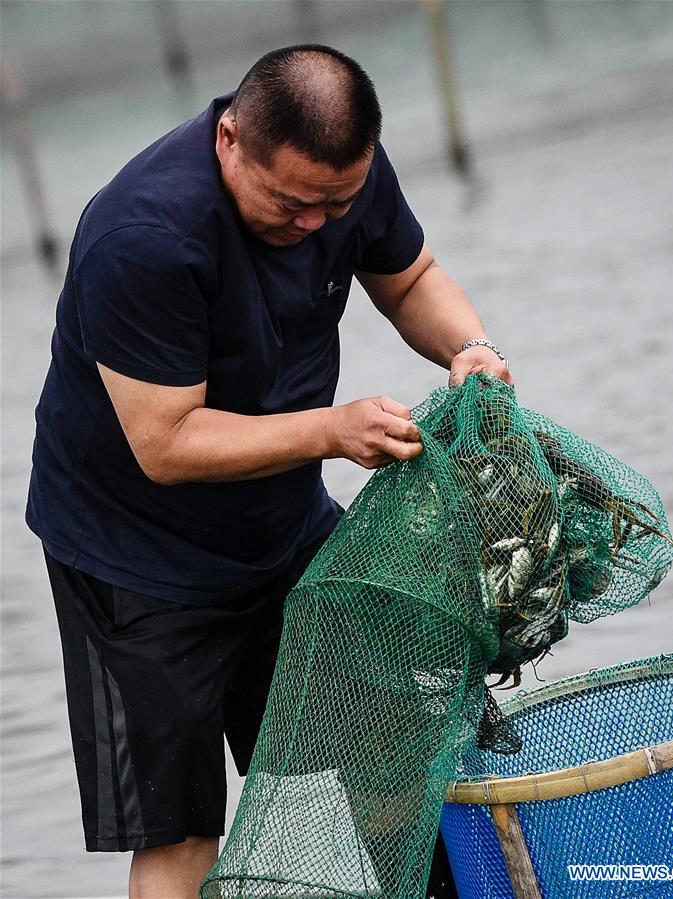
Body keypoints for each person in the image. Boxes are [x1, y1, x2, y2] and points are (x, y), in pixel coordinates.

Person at [26, 44, 512, 898]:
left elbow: (411, 279)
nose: (318, 225)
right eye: (291, 204)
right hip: (137, 562)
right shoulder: (144, 235)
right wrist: (332, 428)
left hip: (284, 527)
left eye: (338, 204)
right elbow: (165, 442)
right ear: (229, 141)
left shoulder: (337, 172)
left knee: (394, 754)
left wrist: (469, 347)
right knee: (180, 830)